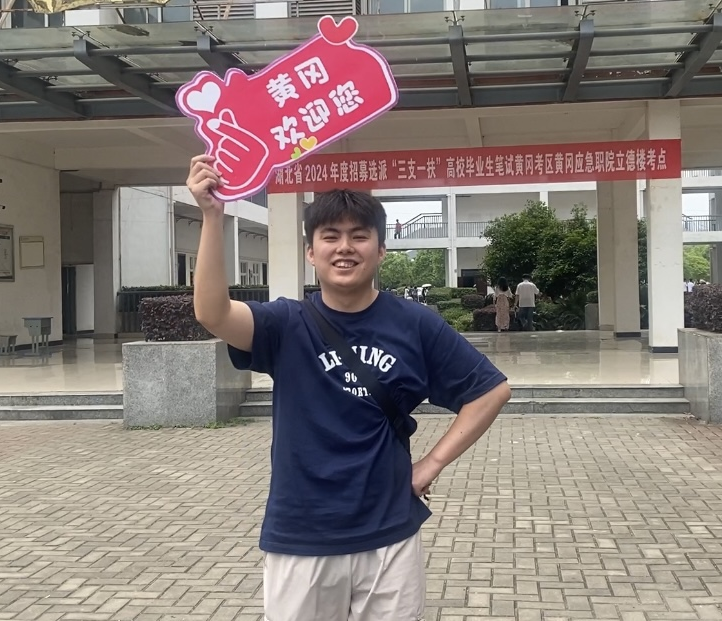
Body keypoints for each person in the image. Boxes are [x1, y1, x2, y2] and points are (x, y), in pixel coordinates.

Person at [187, 155, 511, 621]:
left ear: (381, 250)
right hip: (302, 534)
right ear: (310, 251)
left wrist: (432, 463)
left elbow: (491, 390)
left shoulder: (414, 324)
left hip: (389, 532)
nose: (345, 247)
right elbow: (213, 313)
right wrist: (212, 216)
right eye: (330, 236)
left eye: (359, 236)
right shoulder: (285, 323)